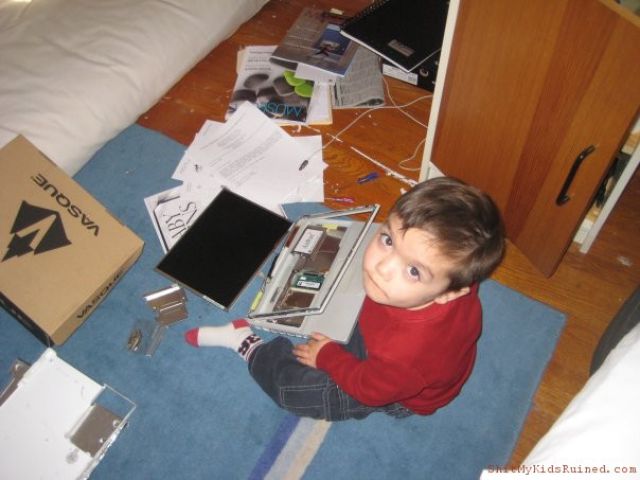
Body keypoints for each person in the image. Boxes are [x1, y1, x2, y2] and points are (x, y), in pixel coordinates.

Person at [185, 177, 505, 421]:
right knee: (337, 297)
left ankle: (246, 342)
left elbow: (369, 388)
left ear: (451, 292)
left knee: (293, 391)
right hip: (392, 348)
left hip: (397, 392)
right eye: (388, 240)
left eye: (413, 271)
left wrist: (328, 357)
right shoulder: (451, 280)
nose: (381, 267)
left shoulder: (405, 354)